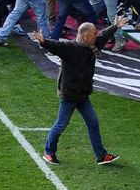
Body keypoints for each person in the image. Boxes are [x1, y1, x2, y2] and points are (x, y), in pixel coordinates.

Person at [31, 18, 126, 167]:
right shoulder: (70, 48)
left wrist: (115, 26)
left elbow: (104, 35)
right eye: (94, 33)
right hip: (69, 95)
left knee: (93, 122)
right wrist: (43, 42)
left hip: (82, 94)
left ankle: (101, 156)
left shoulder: (92, 45)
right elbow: (56, 46)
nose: (97, 35)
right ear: (85, 36)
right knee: (61, 124)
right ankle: (49, 152)